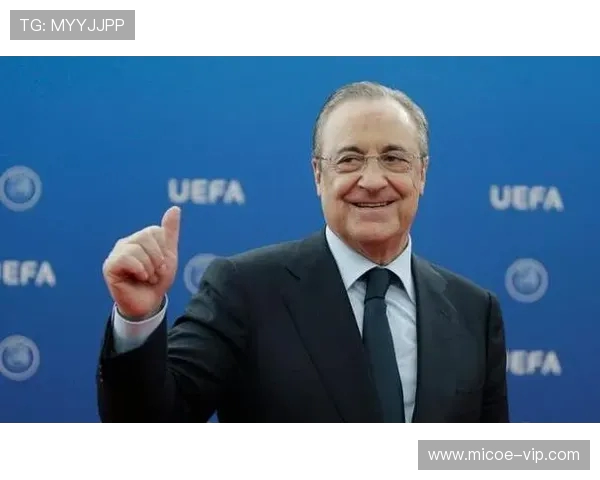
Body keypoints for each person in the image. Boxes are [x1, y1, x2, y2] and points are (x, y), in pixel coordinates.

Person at [97, 81, 509, 423]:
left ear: (422, 173)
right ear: (318, 175)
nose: (371, 180)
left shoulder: (474, 310)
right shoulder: (245, 290)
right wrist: (138, 320)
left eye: (393, 158)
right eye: (349, 160)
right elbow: (151, 424)